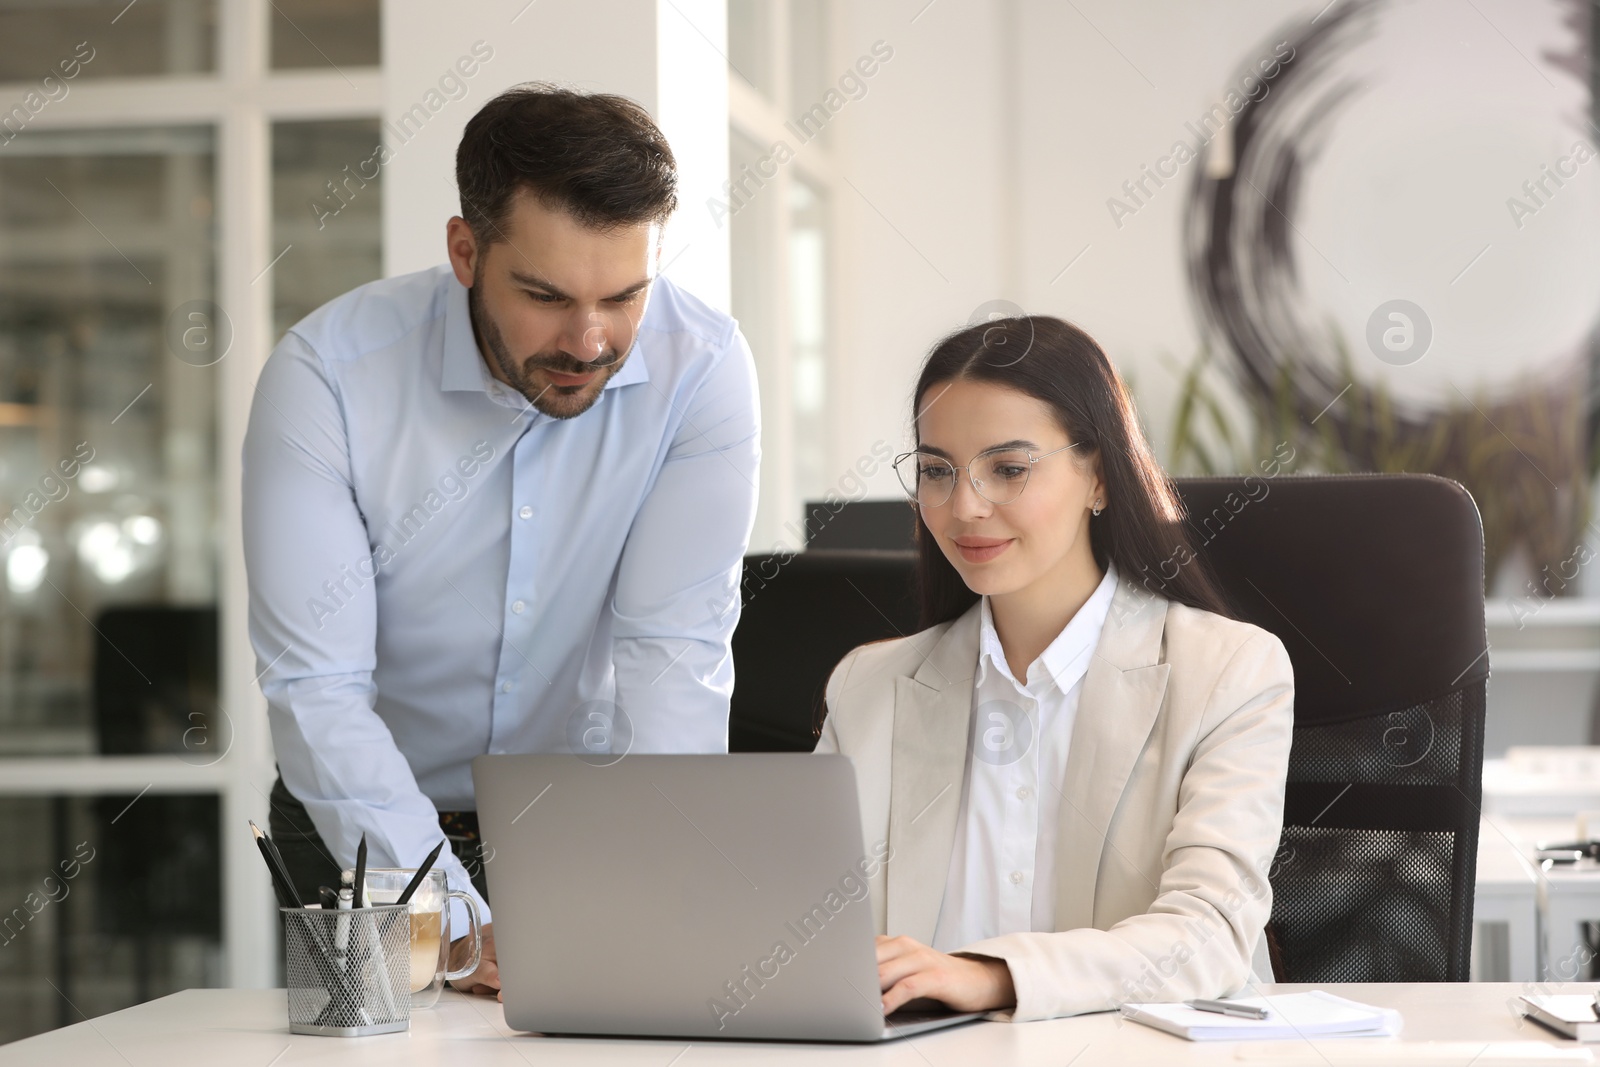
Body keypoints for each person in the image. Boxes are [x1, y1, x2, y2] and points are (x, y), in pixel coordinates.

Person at [243, 84, 760, 995]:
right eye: (546, 296)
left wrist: (660, 875)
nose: (591, 340)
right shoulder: (327, 377)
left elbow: (672, 658)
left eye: (626, 295)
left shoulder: (703, 371)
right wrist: (449, 917)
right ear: (465, 251)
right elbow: (316, 690)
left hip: (579, 819)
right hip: (355, 822)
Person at [815, 316, 1293, 1021]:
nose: (965, 506)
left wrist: (993, 975)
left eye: (1008, 469)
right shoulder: (868, 687)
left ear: (1098, 475)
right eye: (937, 471)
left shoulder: (1227, 671)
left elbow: (1209, 934)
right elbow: (802, 927)